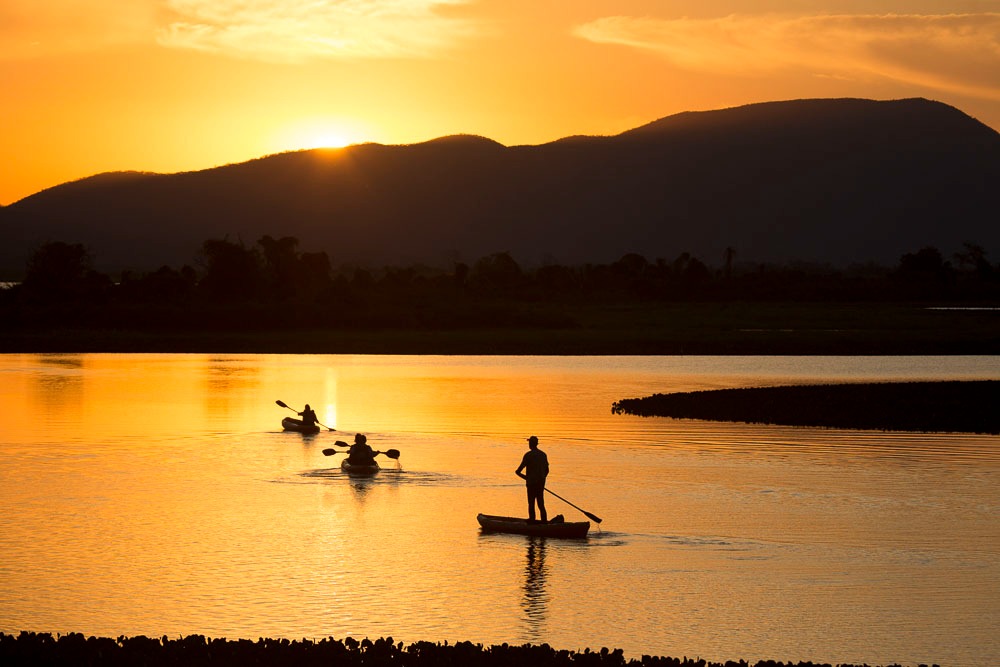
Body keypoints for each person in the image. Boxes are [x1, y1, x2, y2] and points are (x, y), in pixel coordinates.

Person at [515, 435, 549, 523]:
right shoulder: (543, 455)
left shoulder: (528, 455)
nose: (529, 444)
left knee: (531, 503)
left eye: (529, 443)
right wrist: (542, 479)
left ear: (531, 444)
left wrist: (527, 478)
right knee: (541, 504)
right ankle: (544, 522)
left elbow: (518, 471)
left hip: (531, 484)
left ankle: (532, 521)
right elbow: (547, 470)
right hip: (540, 484)